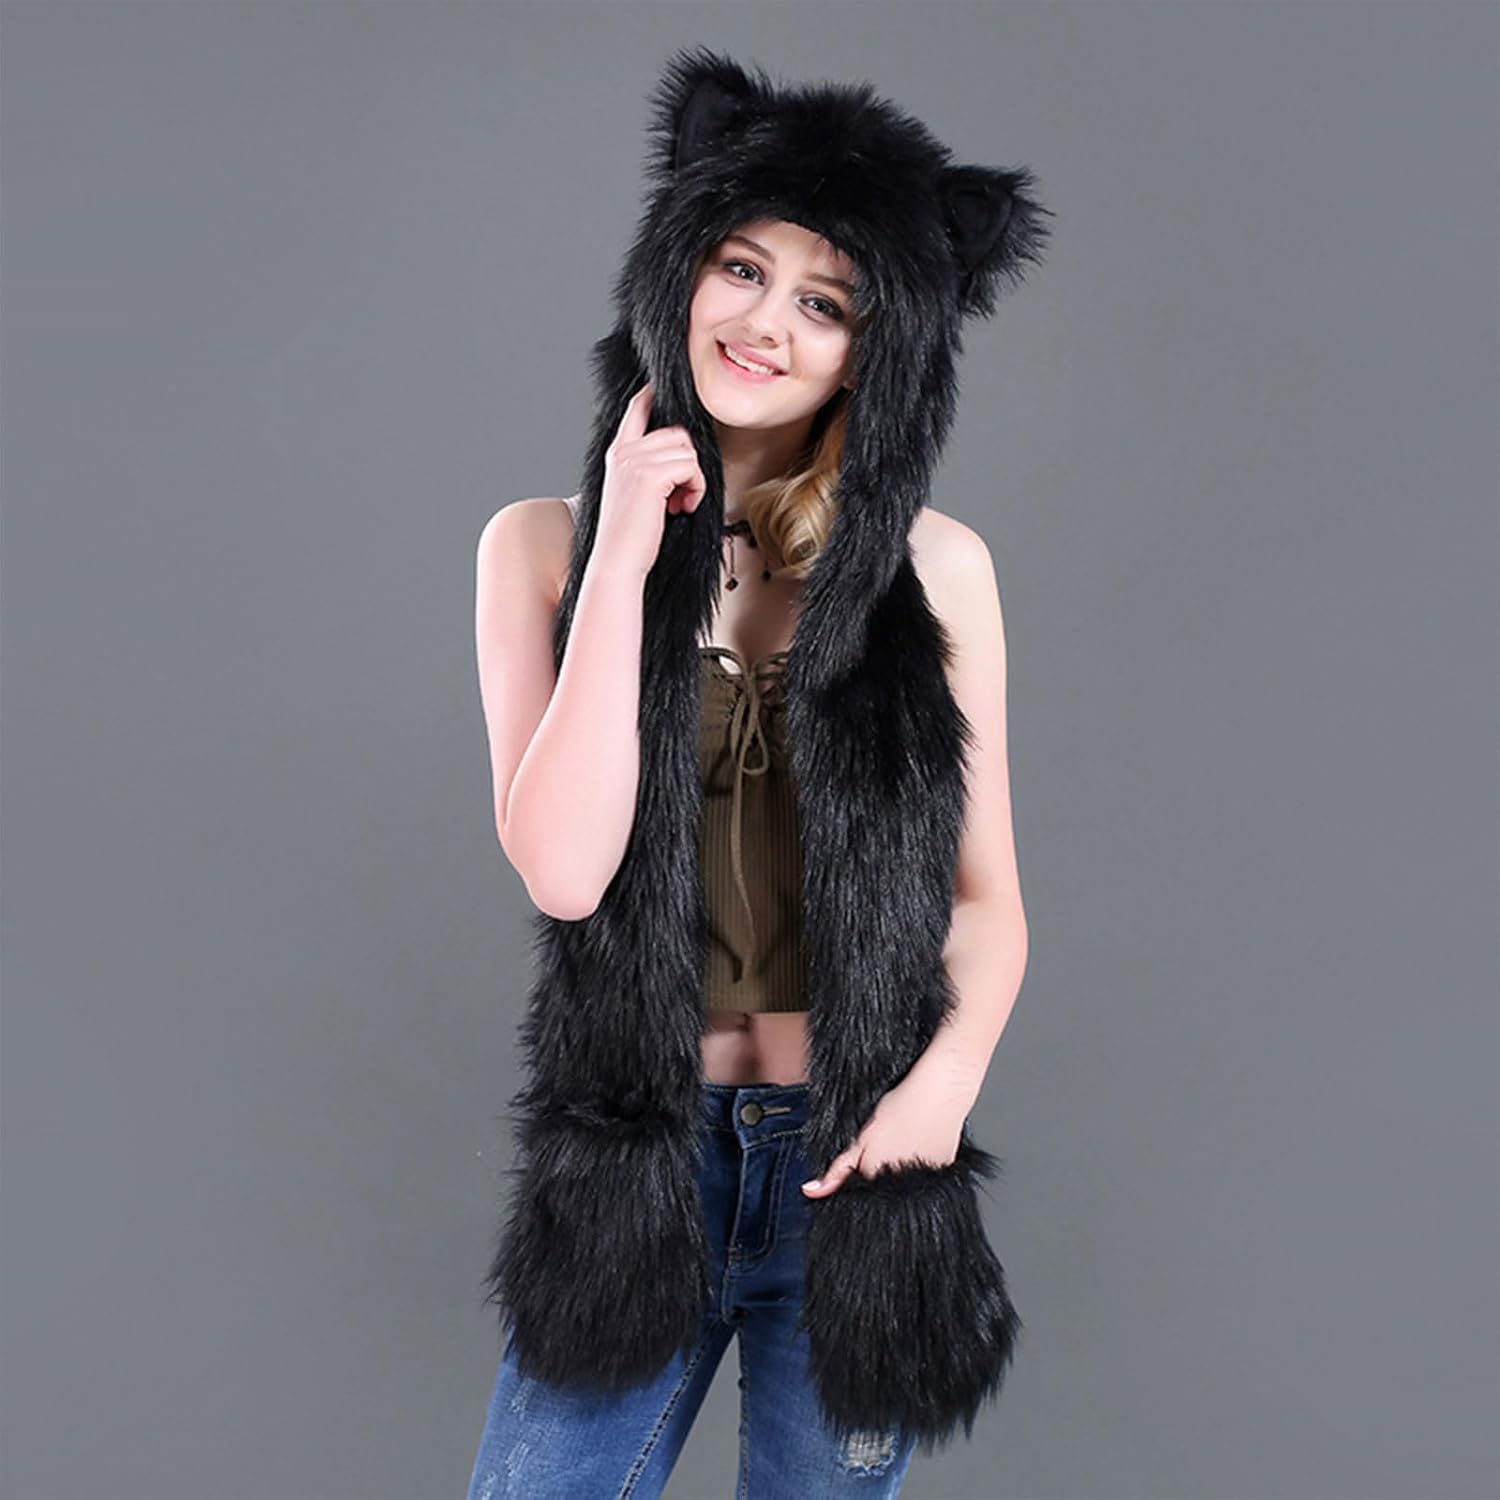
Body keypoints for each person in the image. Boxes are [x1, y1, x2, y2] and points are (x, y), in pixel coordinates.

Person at [468, 46, 1046, 1500]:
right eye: (740, 266)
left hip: (857, 1165)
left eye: (826, 302)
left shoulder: (940, 571)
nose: (765, 323)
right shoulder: (538, 547)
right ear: (679, 271)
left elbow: (987, 900)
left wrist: (938, 1095)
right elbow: (566, 871)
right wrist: (621, 554)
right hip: (636, 1160)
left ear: (880, 351)